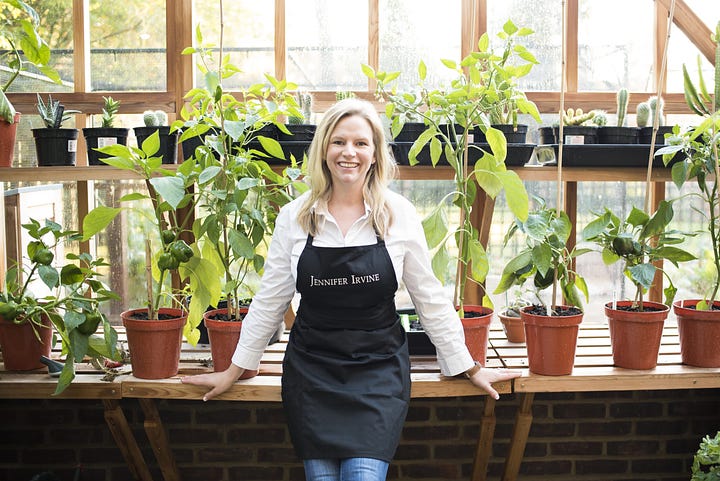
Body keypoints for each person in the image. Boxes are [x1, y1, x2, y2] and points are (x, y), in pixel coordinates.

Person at [181, 98, 521, 481]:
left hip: (377, 368)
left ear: (375, 154)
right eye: (339, 141)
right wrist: (233, 370)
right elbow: (269, 301)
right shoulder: (294, 217)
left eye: (361, 143)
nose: (349, 153)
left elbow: (430, 298)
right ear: (324, 149)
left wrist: (469, 366)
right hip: (313, 368)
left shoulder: (398, 215)